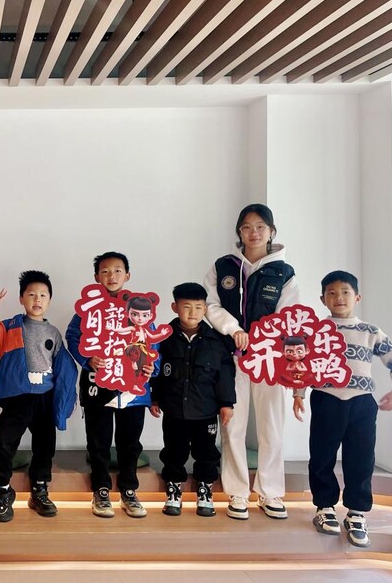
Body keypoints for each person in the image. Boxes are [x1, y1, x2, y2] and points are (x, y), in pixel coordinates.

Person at [293, 271, 392, 547]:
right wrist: (298, 394)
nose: (339, 297)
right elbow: (301, 364)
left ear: (357, 297)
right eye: (331, 293)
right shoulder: (315, 332)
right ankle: (324, 507)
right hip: (326, 398)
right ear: (323, 299)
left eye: (345, 292)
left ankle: (356, 512)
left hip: (362, 403)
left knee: (361, 458)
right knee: (322, 456)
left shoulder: (370, 331)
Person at [204, 203, 299, 520]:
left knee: (272, 425)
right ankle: (237, 492)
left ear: (271, 231)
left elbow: (288, 316)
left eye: (260, 226)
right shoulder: (223, 267)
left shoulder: (284, 272)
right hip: (230, 357)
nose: (253, 232)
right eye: (246, 227)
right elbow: (210, 305)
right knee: (233, 424)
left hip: (269, 360)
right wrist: (234, 329)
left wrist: (265, 341)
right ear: (239, 232)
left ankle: (271, 492)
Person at [0, 270, 77, 523]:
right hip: (18, 397)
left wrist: (65, 400)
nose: (37, 299)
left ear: (50, 300)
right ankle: (3, 491)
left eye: (43, 295)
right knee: (3, 442)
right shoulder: (10, 327)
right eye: (31, 294)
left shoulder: (53, 332)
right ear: (21, 299)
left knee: (45, 445)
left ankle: (39, 491)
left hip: (45, 398)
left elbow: (63, 369)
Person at [65, 252, 157, 519]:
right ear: (96, 277)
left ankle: (129, 490)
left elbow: (152, 342)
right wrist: (87, 359)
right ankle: (101, 490)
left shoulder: (140, 307)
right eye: (105, 271)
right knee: (98, 441)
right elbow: (73, 336)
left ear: (127, 275)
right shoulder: (88, 308)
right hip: (99, 385)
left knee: (130, 442)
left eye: (117, 270)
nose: (111, 276)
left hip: (132, 390)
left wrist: (152, 366)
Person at [149, 282, 235, 517]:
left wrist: (226, 404)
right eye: (187, 307)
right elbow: (155, 370)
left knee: (206, 452)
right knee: (174, 451)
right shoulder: (163, 338)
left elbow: (225, 375)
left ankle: (205, 491)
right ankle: (173, 490)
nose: (193, 313)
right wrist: (154, 398)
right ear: (174, 307)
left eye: (198, 307)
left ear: (205, 309)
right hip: (174, 409)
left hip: (206, 411)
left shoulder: (216, 341)